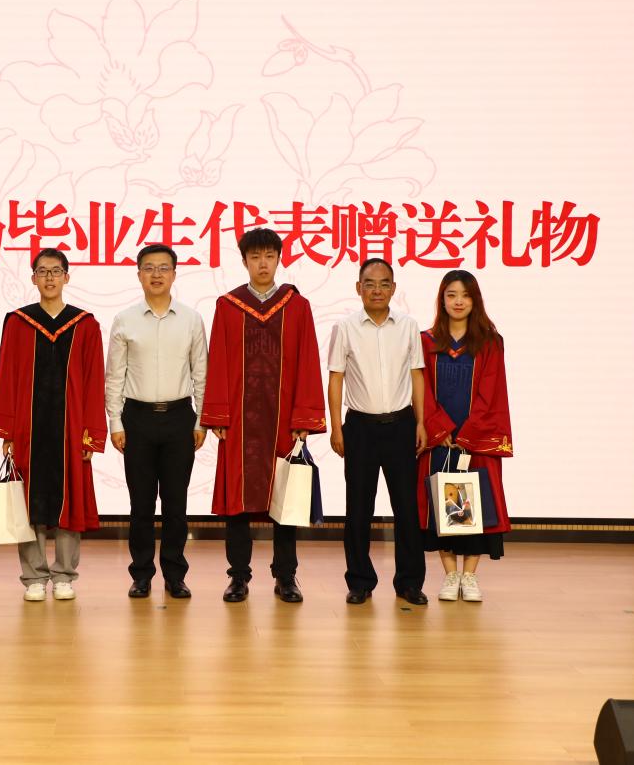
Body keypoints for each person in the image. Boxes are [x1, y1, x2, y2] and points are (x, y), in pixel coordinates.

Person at [201, 228, 326, 604]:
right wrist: (218, 415)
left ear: (279, 259)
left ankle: (286, 576)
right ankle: (238, 577)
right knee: (237, 501)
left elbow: (308, 362)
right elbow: (218, 360)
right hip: (240, 421)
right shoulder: (228, 306)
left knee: (285, 498)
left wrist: (303, 420)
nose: (263, 264)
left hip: (283, 419)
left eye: (269, 256)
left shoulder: (297, 306)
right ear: (244, 261)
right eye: (255, 257)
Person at [0, 249, 107, 602]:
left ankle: (65, 574)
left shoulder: (85, 324)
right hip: (29, 428)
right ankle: (34, 576)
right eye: (42, 271)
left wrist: (90, 435)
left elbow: (94, 381)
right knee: (29, 501)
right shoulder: (18, 322)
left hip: (72, 428)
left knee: (70, 500)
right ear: (33, 278)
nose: (49, 277)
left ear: (67, 277)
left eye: (56, 271)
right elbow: (7, 376)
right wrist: (7, 431)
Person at [105, 244, 207, 600]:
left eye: (164, 268)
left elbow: (201, 373)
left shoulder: (191, 319)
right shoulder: (125, 320)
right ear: (139, 275)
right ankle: (141, 574)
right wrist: (115, 423)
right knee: (141, 505)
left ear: (175, 274)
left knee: (176, 505)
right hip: (137, 419)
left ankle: (175, 575)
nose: (157, 274)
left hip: (180, 418)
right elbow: (114, 376)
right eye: (149, 268)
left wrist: (201, 421)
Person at [327, 257, 428, 606]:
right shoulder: (345, 327)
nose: (377, 290)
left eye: (384, 284)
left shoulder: (408, 326)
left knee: (407, 509)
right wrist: (336, 427)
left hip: (401, 426)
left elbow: (417, 375)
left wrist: (421, 422)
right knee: (358, 509)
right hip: (360, 428)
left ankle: (409, 582)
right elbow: (336, 378)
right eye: (369, 284)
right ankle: (360, 581)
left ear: (393, 288)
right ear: (359, 288)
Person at [417, 269, 513, 603]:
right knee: (441, 505)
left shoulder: (490, 342)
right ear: (442, 300)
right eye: (452, 295)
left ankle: (469, 575)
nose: (458, 301)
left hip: (476, 439)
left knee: (476, 503)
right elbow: (421, 388)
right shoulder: (426, 341)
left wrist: (468, 434)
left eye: (466, 295)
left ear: (475, 300)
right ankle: (450, 574)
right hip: (440, 439)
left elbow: (491, 392)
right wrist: (440, 428)